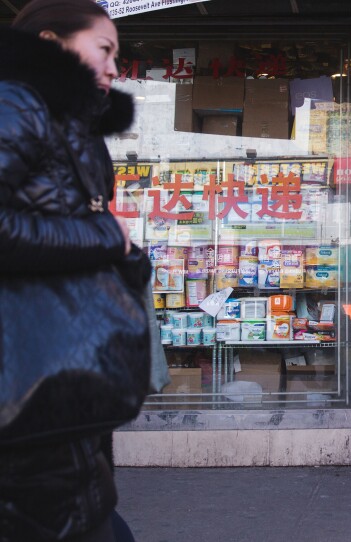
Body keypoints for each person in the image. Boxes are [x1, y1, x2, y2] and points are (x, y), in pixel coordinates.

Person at [0, 0, 144, 540]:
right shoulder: (18, 103)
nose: (114, 68)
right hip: (30, 391)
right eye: (104, 49)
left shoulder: (68, 126)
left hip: (56, 387)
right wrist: (105, 237)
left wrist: (123, 255)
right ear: (50, 43)